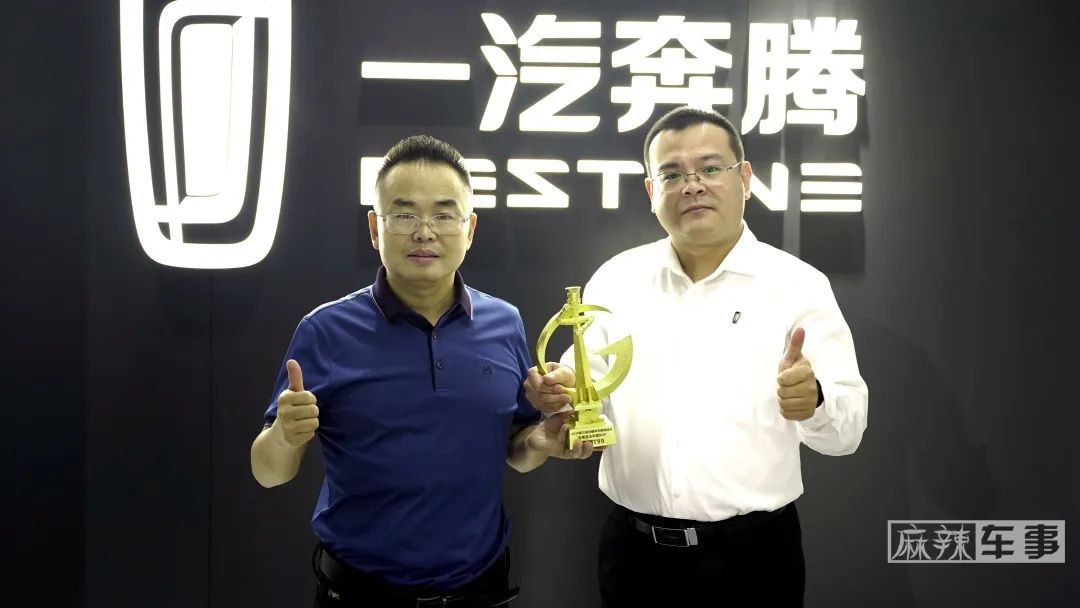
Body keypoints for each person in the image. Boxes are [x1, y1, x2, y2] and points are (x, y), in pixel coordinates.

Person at [524, 107, 868, 607]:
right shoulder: (617, 279)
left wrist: (813, 401)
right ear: (651, 191)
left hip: (753, 561)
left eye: (710, 168)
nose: (692, 186)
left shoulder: (797, 285)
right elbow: (588, 390)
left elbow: (847, 432)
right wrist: (559, 391)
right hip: (634, 558)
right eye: (672, 174)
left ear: (744, 179)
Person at [250, 135, 591, 607]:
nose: (425, 232)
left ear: (469, 229)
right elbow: (268, 472)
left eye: (444, 215)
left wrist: (538, 442)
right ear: (375, 227)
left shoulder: (505, 322)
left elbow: (517, 448)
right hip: (360, 593)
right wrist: (286, 437)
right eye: (405, 215)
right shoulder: (325, 330)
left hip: (481, 588)